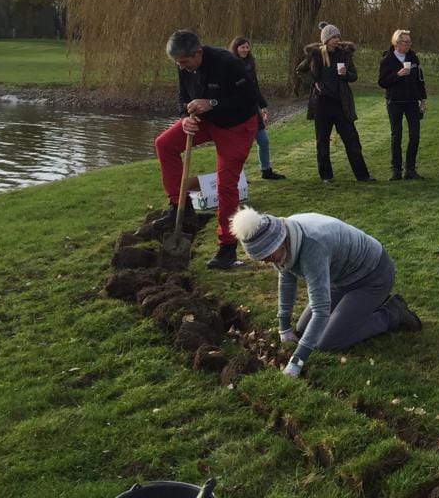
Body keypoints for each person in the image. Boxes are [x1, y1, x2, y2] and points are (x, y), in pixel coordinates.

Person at [230, 206, 422, 378]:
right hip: (339, 279)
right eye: (262, 259)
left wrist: (298, 360)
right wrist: (284, 326)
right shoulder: (281, 239)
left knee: (326, 343)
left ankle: (392, 313)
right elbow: (286, 279)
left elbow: (320, 310)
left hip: (372, 277)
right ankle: (359, 307)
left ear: (279, 242)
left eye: (268, 257)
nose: (267, 262)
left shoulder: (312, 248)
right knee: (303, 329)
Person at [154, 30, 259, 270]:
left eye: (184, 62)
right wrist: (185, 117)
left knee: (225, 184)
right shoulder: (183, 66)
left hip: (237, 124)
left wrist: (212, 103)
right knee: (165, 144)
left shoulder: (228, 63)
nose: (182, 67)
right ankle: (180, 207)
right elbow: (182, 98)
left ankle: (227, 248)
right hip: (205, 120)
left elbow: (249, 99)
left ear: (198, 53)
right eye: (178, 64)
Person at [299, 22, 374, 183]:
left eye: (338, 36)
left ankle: (363, 175)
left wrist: (346, 74)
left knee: (352, 139)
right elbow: (300, 71)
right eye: (333, 37)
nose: (337, 39)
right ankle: (326, 176)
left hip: (341, 104)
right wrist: (314, 82)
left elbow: (354, 76)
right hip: (322, 104)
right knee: (322, 141)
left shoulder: (344, 55)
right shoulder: (316, 54)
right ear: (325, 39)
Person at [229, 36, 286, 181]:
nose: (246, 50)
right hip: (238, 112)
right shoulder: (229, 65)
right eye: (242, 47)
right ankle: (238, 176)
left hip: (253, 109)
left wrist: (263, 105)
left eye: (247, 47)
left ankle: (266, 170)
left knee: (263, 140)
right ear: (236, 48)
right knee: (240, 146)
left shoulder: (250, 64)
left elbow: (255, 88)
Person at [378, 29, 427, 181]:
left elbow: (420, 80)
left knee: (415, 135)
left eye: (410, 42)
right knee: (396, 136)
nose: (409, 44)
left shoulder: (413, 58)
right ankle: (396, 170)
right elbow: (382, 82)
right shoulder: (387, 60)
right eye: (406, 42)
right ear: (397, 43)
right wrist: (397, 75)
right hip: (395, 102)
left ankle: (410, 169)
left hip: (412, 101)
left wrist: (423, 100)